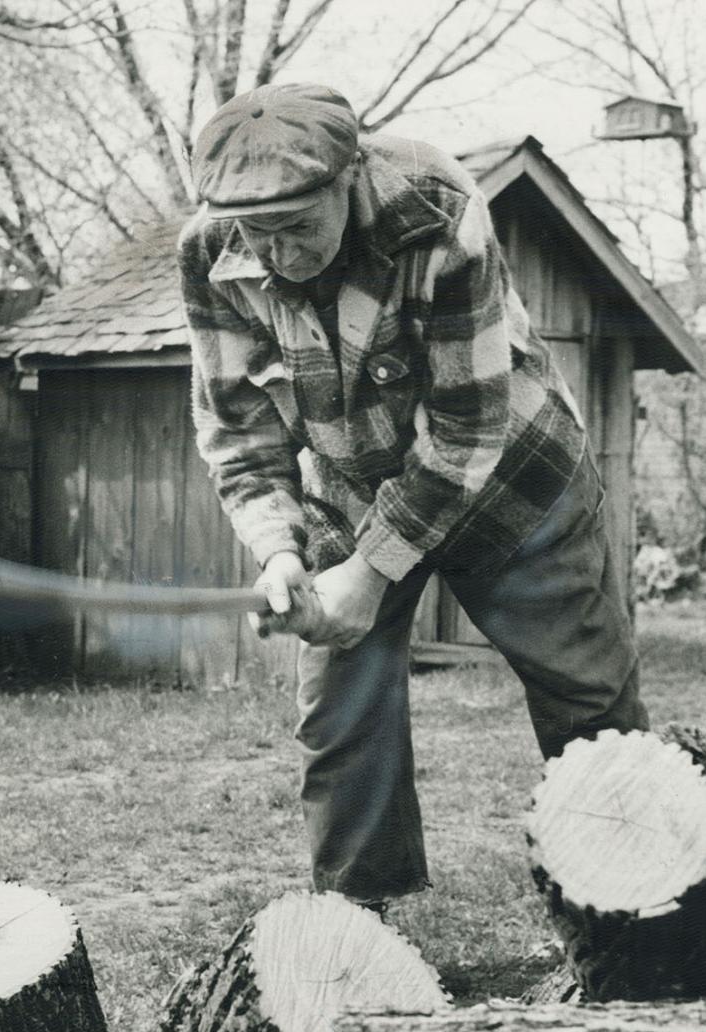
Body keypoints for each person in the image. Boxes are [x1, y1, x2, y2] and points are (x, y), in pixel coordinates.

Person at [180, 83, 648, 909]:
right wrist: (280, 551)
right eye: (260, 232)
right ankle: (359, 921)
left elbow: (466, 429)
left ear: (347, 177)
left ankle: (636, 895)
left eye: (296, 225)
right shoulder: (210, 250)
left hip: (511, 473)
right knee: (338, 720)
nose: (278, 254)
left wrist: (372, 573)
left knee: (585, 695)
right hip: (349, 486)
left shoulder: (433, 211)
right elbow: (240, 430)